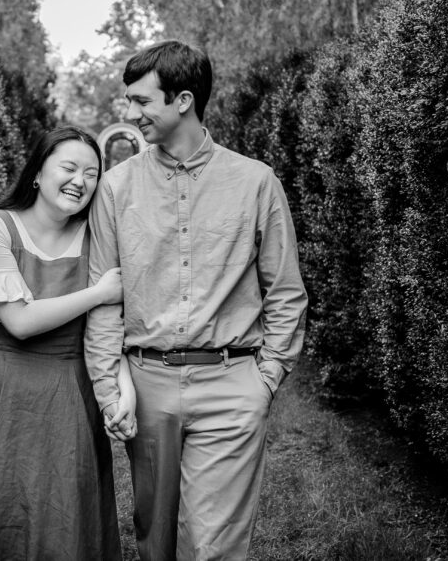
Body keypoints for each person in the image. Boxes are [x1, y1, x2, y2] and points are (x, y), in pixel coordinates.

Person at [84, 40, 308, 560]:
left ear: (183, 100)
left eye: (142, 101)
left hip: (232, 386)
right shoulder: (115, 190)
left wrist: (266, 377)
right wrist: (109, 390)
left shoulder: (256, 182)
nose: (132, 112)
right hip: (146, 384)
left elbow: (286, 289)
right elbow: (104, 302)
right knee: (155, 540)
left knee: (210, 547)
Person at [0, 126, 137, 561]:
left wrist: (123, 391)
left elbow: (107, 327)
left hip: (70, 390)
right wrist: (99, 292)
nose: (80, 181)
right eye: (68, 167)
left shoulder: (97, 237)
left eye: (92, 173)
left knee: (67, 514)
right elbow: (19, 322)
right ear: (37, 172)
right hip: (0, 391)